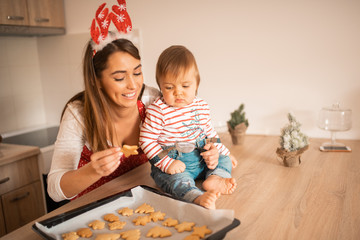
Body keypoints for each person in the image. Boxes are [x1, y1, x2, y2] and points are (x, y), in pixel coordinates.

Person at [139, 45, 237, 209]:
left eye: (185, 86)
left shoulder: (201, 106)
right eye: (170, 87)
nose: (178, 92)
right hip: (174, 163)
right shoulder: (158, 110)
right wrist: (167, 164)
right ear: (160, 86)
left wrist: (224, 152)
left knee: (224, 160)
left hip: (202, 158)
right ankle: (196, 197)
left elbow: (210, 134)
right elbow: (146, 140)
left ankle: (215, 178)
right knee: (177, 182)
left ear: (196, 83)